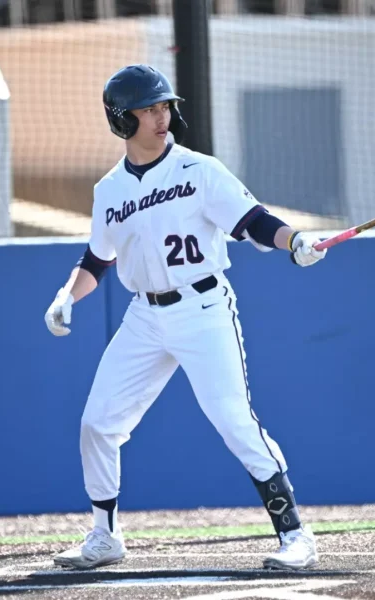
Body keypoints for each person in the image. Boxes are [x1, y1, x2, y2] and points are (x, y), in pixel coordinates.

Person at [43, 65, 326, 572]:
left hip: (203, 308)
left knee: (233, 420)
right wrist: (67, 296)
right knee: (97, 423)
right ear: (121, 119)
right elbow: (97, 260)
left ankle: (295, 535)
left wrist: (295, 241)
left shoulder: (199, 169)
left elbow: (255, 222)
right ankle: (105, 536)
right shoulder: (109, 189)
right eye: (148, 109)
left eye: (164, 107)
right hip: (144, 316)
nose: (162, 117)